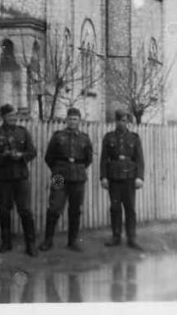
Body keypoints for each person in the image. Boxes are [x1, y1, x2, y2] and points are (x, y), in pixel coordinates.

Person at [0, 103, 38, 256]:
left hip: (21, 177)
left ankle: (30, 244)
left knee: (25, 211)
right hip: (3, 178)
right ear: (3, 117)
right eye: (9, 116)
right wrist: (4, 155)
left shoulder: (23, 132)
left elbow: (32, 152)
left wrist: (21, 156)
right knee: (3, 211)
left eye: (14, 115)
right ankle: (6, 242)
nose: (13, 118)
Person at [39, 107, 93, 252]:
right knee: (54, 208)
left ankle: (72, 242)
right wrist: (58, 169)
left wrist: (76, 168)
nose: (72, 122)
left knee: (75, 210)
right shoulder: (58, 136)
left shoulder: (85, 138)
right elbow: (49, 157)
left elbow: (88, 160)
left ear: (79, 120)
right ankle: (48, 241)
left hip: (78, 177)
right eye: (70, 119)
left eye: (75, 119)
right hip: (59, 176)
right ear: (66, 120)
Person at [100, 108, 145, 250]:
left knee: (130, 208)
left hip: (129, 178)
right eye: (119, 120)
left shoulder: (134, 138)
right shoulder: (108, 137)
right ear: (115, 121)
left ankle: (132, 237)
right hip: (113, 178)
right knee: (115, 208)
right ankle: (116, 236)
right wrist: (103, 177)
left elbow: (140, 160)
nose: (121, 123)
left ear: (128, 122)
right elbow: (103, 160)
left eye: (124, 120)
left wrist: (140, 177)